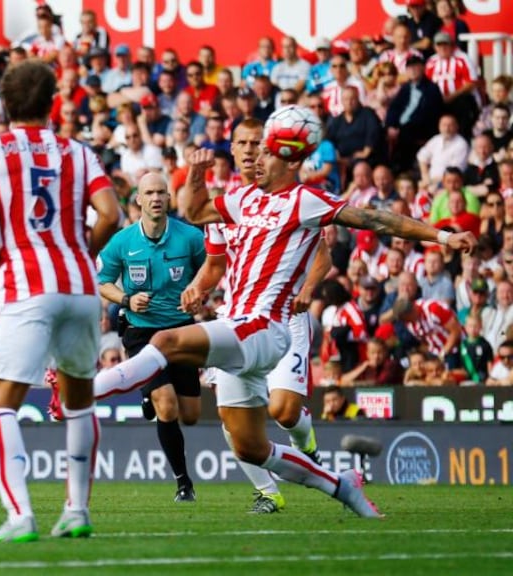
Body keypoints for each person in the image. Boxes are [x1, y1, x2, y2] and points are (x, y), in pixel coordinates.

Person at [93, 124, 476, 519]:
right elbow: (195, 212)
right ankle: (341, 485)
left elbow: (375, 220)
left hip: (268, 325)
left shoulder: (306, 200)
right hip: (237, 323)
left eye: (264, 152)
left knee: (168, 343)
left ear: (289, 161)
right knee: (249, 446)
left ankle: (83, 392)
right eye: (249, 150)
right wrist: (195, 174)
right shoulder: (242, 199)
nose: (255, 158)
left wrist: (442, 237)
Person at [0, 60, 121, 542]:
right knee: (79, 403)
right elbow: (111, 212)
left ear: (5, 104)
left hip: (26, 284)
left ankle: (20, 516)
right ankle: (77, 510)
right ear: (53, 102)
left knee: (0, 404)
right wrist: (81, 252)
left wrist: (0, 259)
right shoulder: (78, 151)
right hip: (80, 284)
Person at [178, 118, 332, 514]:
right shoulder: (227, 204)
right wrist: (198, 287)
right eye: (242, 143)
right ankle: (268, 491)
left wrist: (309, 289)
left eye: (256, 143)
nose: (249, 150)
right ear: (231, 149)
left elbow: (321, 254)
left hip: (284, 315)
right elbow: (215, 265)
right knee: (233, 418)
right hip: (238, 317)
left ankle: (307, 445)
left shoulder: (295, 199)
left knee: (282, 410)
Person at [87, 171, 206, 502]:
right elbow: (101, 281)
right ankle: (184, 483)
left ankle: (145, 393)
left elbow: (210, 268)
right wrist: (126, 299)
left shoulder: (190, 237)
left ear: (169, 198)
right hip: (141, 330)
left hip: (181, 330)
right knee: (166, 406)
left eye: (161, 192)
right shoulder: (123, 242)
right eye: (149, 193)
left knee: (192, 415)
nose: (156, 198)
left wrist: (199, 292)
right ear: (138, 200)